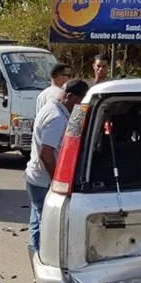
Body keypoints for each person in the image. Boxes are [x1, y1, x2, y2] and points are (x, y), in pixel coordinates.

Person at [25, 79, 89, 253]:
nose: (80, 106)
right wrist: (57, 180)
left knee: (37, 222)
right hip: (44, 179)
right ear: (69, 96)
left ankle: (36, 258)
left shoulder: (52, 109)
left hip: (36, 177)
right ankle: (42, 260)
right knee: (46, 226)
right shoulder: (57, 117)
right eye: (80, 101)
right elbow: (46, 152)